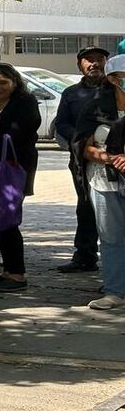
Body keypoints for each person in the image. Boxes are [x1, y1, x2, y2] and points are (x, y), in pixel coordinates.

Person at [0, 63, 40, 292]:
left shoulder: (25, 102)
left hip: (13, 170)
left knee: (8, 221)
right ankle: (8, 271)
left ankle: (17, 275)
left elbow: (19, 132)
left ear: (15, 82)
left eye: (3, 83)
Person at [74, 55, 125, 310]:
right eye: (122, 77)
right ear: (112, 79)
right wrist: (108, 158)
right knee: (111, 236)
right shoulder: (95, 107)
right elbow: (82, 146)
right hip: (106, 180)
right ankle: (115, 290)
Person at [54, 46, 109, 273]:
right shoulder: (71, 93)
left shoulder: (116, 90)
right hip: (81, 158)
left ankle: (113, 260)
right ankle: (85, 256)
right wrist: (81, 141)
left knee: (113, 210)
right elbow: (62, 123)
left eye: (99, 59)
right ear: (80, 65)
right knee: (85, 205)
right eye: (89, 60)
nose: (94, 64)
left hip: (113, 158)